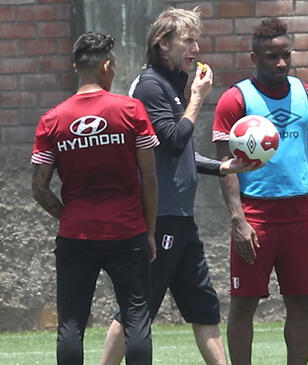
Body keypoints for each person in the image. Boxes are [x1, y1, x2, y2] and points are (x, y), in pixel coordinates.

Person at [100, 8, 256, 365]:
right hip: (160, 218)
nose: (196, 48)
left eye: (195, 40)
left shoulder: (171, 85)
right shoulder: (151, 86)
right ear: (163, 43)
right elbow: (171, 140)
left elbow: (180, 153)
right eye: (188, 40)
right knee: (137, 306)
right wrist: (197, 98)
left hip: (182, 220)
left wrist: (222, 166)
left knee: (204, 306)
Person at [212, 18, 308, 365]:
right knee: (243, 304)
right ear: (254, 57)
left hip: (299, 214)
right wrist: (238, 220)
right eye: (271, 57)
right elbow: (225, 168)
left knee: (301, 303)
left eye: (286, 56)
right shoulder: (236, 99)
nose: (281, 64)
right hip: (256, 215)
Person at [31, 32, 158, 365]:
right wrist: (150, 230)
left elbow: (39, 188)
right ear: (106, 65)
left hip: (75, 234)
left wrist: (67, 215)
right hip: (127, 231)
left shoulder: (52, 119)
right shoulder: (131, 110)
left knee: (71, 322)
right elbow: (150, 179)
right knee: (136, 318)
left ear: (76, 67)